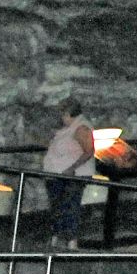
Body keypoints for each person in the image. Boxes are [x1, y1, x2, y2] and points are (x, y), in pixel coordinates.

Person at [41, 98, 95, 249]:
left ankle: (70, 240)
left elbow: (89, 150)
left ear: (68, 114)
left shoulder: (80, 128)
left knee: (69, 206)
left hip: (71, 176)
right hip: (58, 174)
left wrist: (72, 168)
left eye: (63, 114)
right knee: (58, 206)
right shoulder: (70, 127)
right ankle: (56, 237)